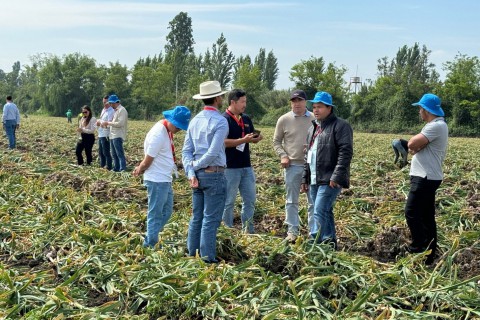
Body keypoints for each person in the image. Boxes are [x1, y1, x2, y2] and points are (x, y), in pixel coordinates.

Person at [182, 80, 229, 263]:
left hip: (198, 177)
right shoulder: (220, 121)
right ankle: (207, 258)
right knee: (210, 219)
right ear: (217, 98)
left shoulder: (194, 121)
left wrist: (191, 172)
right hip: (214, 174)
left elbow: (186, 151)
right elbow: (213, 152)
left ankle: (191, 253)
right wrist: (196, 167)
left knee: (197, 217)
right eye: (221, 96)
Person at [301, 91, 353, 249]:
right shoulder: (313, 129)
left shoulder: (341, 126)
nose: (315, 110)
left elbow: (346, 152)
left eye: (320, 107)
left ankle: (315, 241)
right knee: (325, 211)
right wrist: (305, 178)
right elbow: (308, 155)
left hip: (330, 178)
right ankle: (329, 244)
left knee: (319, 209)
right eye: (314, 107)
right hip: (316, 178)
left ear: (329, 108)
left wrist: (336, 176)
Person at [133, 106, 191, 248]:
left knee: (167, 211)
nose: (179, 130)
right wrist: (139, 169)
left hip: (165, 178)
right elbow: (148, 160)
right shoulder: (159, 133)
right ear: (170, 120)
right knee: (156, 213)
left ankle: (150, 234)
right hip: (157, 180)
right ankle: (149, 244)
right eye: (177, 126)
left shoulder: (166, 129)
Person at [404, 93, 448, 264]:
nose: (419, 112)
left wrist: (411, 145)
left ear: (426, 110)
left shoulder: (435, 126)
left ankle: (418, 248)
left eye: (420, 108)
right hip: (429, 175)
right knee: (426, 215)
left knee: (412, 212)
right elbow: (416, 147)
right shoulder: (438, 125)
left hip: (425, 176)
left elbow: (411, 144)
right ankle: (429, 253)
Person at [273, 89, 315, 242]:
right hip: (292, 165)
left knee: (313, 201)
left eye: (300, 100)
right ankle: (292, 231)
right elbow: (276, 141)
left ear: (305, 102)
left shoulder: (314, 118)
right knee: (291, 200)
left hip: (312, 166)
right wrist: (283, 155)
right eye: (294, 101)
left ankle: (313, 232)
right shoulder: (284, 119)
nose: (296, 104)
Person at [222, 89, 263, 234]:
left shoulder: (246, 119)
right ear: (233, 102)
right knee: (228, 202)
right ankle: (227, 231)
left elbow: (249, 138)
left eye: (245, 101)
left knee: (250, 200)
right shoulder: (224, 120)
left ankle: (248, 231)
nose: (245, 105)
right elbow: (223, 142)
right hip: (229, 167)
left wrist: (255, 139)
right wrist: (243, 140)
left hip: (246, 166)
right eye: (242, 102)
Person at [102, 94, 128, 172]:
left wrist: (108, 123)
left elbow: (120, 123)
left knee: (119, 154)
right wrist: (107, 124)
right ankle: (116, 168)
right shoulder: (116, 111)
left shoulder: (122, 110)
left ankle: (122, 169)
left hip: (118, 135)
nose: (110, 105)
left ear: (115, 102)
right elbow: (114, 123)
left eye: (111, 103)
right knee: (114, 154)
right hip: (112, 135)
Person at [96, 96, 115, 170]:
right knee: (101, 152)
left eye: (106, 102)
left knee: (106, 152)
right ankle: (102, 166)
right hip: (100, 133)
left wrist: (101, 124)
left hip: (106, 134)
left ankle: (109, 167)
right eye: (104, 102)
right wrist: (98, 122)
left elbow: (109, 123)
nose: (105, 104)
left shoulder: (111, 111)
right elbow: (101, 120)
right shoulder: (103, 110)